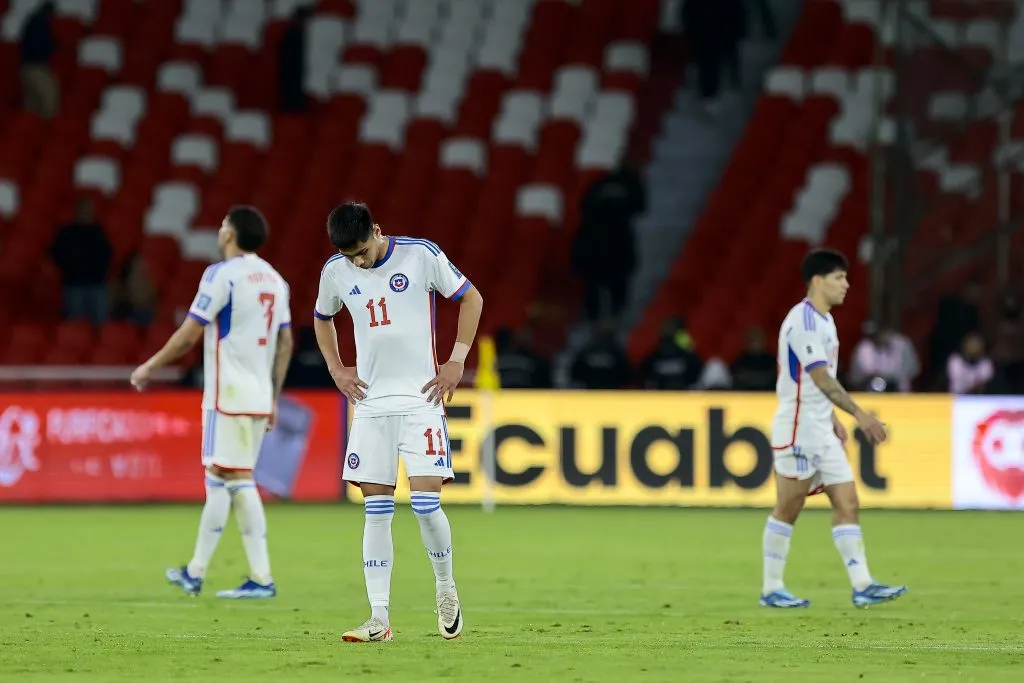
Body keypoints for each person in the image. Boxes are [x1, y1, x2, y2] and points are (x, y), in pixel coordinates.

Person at [313, 201, 483, 642]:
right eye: (350, 255)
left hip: (420, 399)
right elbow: (322, 319)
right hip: (370, 405)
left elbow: (471, 297)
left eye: (363, 251)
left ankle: (446, 588)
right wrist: (337, 369)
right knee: (376, 510)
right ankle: (379, 618)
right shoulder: (335, 271)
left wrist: (456, 360)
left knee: (426, 505)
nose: (358, 261)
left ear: (377, 231)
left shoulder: (420, 255)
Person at [130, 206, 293, 600]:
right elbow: (285, 342)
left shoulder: (222, 275)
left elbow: (190, 333)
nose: (220, 230)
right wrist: (273, 395)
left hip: (228, 396)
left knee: (236, 478)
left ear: (229, 235)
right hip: (257, 395)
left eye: (223, 225)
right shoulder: (276, 279)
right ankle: (195, 572)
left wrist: (149, 366)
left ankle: (262, 577)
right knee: (220, 479)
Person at [761, 248, 907, 609]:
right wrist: (860, 414)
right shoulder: (804, 322)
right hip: (797, 429)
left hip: (820, 428)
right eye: (839, 277)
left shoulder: (826, 321)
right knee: (789, 507)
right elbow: (820, 377)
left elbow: (819, 385)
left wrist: (832, 418)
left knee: (848, 502)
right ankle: (771, 588)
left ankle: (863, 585)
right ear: (817, 281)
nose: (847, 284)